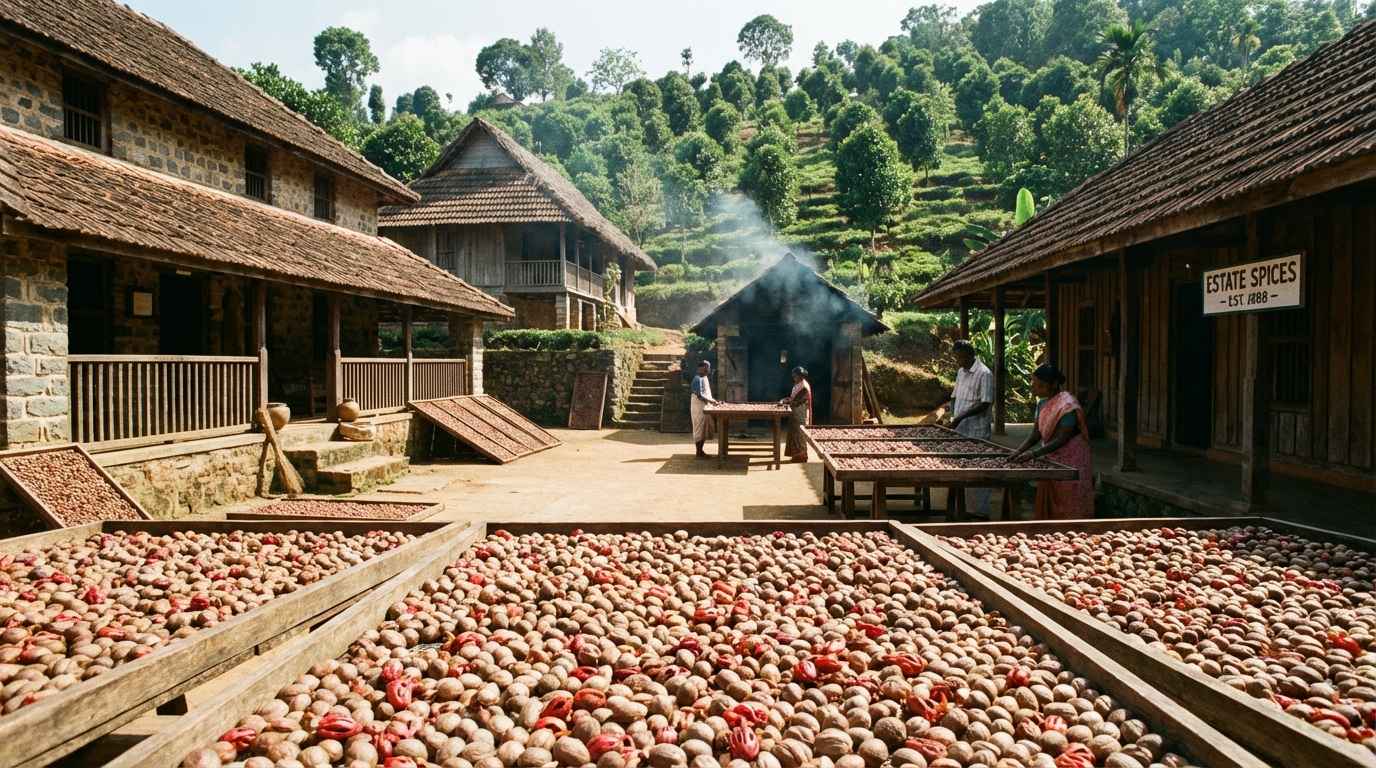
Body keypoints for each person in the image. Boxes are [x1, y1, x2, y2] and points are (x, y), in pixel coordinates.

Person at [1010, 363, 1095, 519]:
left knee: (1070, 498)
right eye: (1034, 385)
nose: (1035, 389)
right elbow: (1036, 434)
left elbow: (1063, 438)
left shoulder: (1067, 405)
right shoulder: (1042, 403)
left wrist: (1034, 454)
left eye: (1040, 386)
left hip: (1072, 458)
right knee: (1052, 501)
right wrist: (1018, 451)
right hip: (1051, 455)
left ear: (1054, 384)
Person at [943, 339, 994, 516]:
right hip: (960, 429)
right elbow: (955, 396)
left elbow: (985, 403)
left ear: (971, 355)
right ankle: (960, 509)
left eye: (961, 357)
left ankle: (978, 512)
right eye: (956, 357)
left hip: (976, 429)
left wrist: (960, 417)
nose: (958, 361)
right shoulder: (961, 372)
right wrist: (951, 414)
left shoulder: (984, 373)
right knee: (958, 468)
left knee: (977, 471)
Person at [780, 366, 813, 462]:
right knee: (794, 434)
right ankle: (796, 455)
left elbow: (798, 401)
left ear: (800, 376)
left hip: (800, 412)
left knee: (799, 434)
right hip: (795, 412)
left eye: (795, 376)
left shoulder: (804, 387)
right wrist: (785, 399)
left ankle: (802, 456)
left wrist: (786, 402)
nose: (794, 377)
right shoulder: (797, 385)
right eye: (793, 376)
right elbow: (793, 398)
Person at [690, 360, 719, 458]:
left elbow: (706, 393)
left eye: (708, 368)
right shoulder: (697, 379)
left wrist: (713, 400)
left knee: (704, 429)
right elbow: (700, 395)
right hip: (698, 407)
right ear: (701, 368)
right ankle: (698, 452)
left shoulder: (705, 378)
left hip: (705, 406)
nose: (708, 370)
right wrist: (712, 401)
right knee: (699, 429)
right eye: (706, 368)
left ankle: (701, 451)